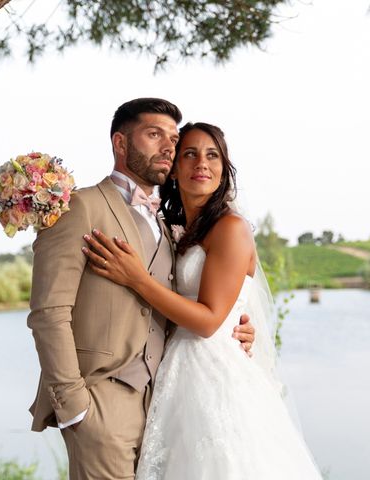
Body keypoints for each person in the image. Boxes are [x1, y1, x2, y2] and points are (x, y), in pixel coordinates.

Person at [27, 98, 256, 479]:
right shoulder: (80, 207)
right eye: (154, 135)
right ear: (120, 143)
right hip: (102, 402)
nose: (168, 147)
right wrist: (75, 406)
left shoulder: (169, 226)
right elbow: (48, 313)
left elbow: (195, 303)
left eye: (172, 138)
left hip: (166, 404)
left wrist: (241, 328)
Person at [82, 122, 324, 479]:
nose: (201, 164)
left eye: (213, 155)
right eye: (190, 154)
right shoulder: (173, 229)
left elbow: (210, 321)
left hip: (214, 375)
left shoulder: (231, 228)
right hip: (173, 372)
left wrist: (136, 278)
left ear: (224, 169)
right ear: (175, 169)